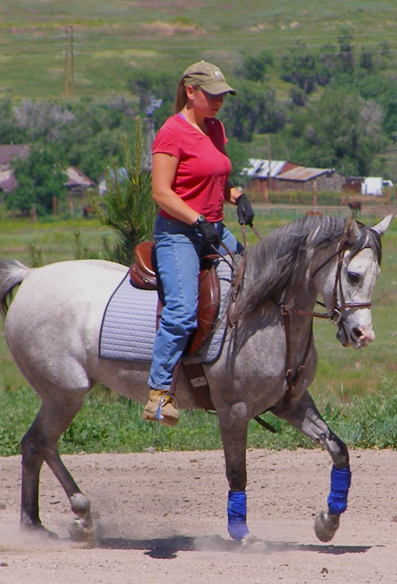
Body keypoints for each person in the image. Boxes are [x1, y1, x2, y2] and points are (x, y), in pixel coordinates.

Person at [144, 60, 255, 426]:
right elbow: (161, 192)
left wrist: (237, 196)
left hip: (212, 227)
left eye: (222, 95)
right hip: (178, 234)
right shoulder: (171, 132)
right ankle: (159, 395)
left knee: (258, 281)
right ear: (190, 93)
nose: (219, 101)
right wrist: (196, 220)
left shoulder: (215, 128)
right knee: (181, 312)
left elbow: (216, 178)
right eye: (211, 94)